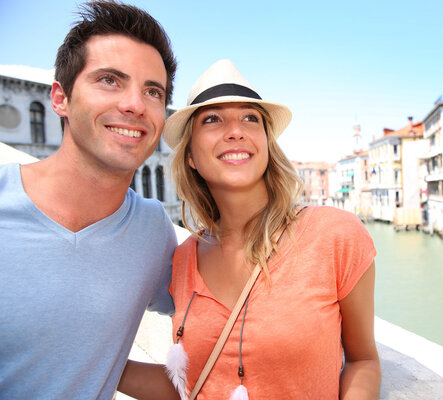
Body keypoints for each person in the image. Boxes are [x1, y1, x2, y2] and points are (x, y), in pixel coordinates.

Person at [120, 59, 381, 399]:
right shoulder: (184, 258)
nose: (235, 130)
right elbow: (193, 384)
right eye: (212, 119)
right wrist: (98, 362)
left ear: (266, 145)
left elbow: (363, 361)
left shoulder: (334, 235)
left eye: (250, 118)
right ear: (191, 158)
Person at [0, 2, 178, 399]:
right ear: (60, 99)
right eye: (110, 80)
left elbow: (228, 316)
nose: (135, 104)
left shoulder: (152, 229)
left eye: (153, 90)